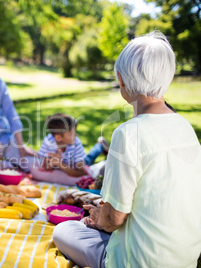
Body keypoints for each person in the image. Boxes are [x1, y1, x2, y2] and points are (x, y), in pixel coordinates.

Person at [52, 31, 201, 267]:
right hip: (184, 258)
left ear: (121, 80)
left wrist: (98, 217)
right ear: (168, 79)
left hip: (137, 261)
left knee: (64, 230)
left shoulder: (128, 133)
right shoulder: (185, 128)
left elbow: (113, 220)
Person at [30, 113, 107, 185]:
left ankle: (100, 145)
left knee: (89, 159)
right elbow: (45, 167)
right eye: (71, 134)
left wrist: (60, 164)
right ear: (58, 137)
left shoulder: (76, 142)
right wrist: (51, 164)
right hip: (68, 164)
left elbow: (81, 172)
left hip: (75, 162)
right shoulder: (48, 141)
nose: (76, 135)